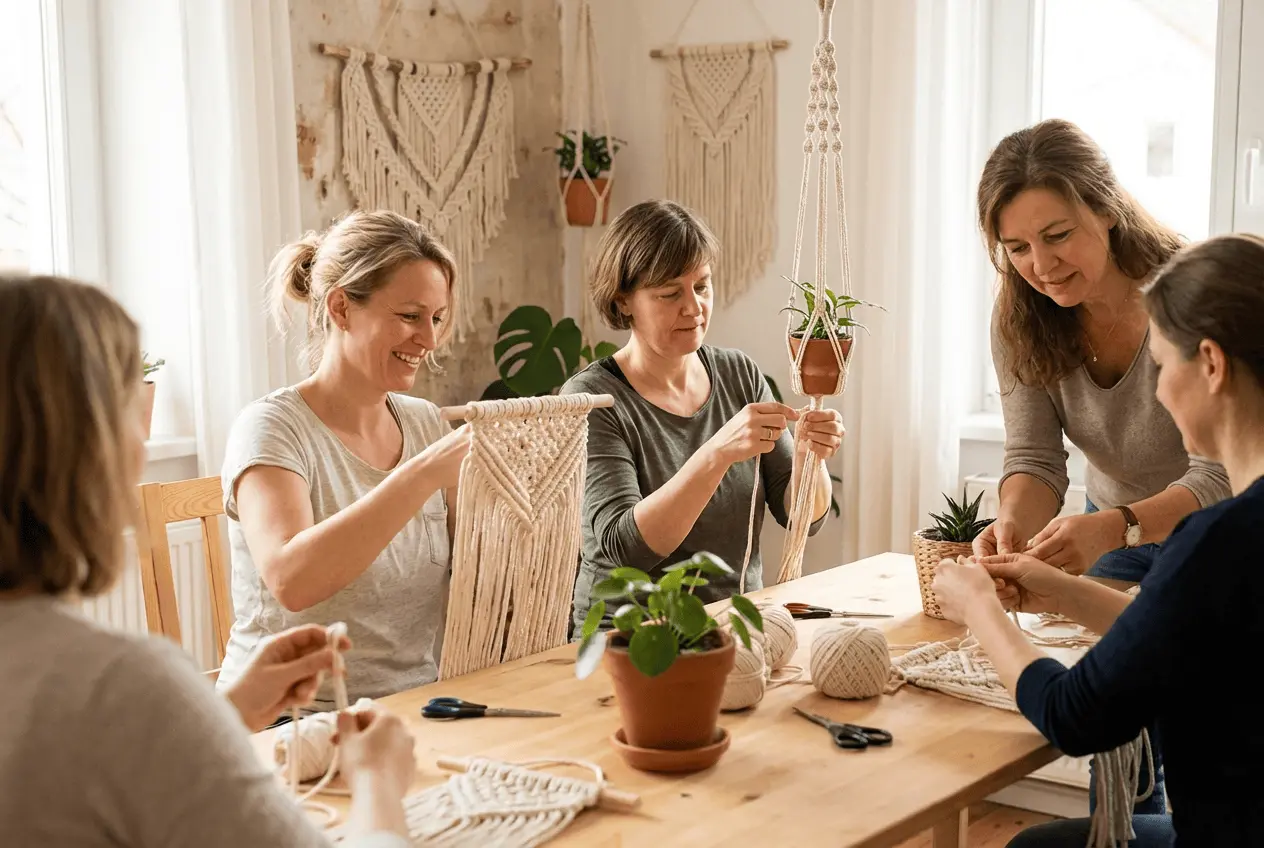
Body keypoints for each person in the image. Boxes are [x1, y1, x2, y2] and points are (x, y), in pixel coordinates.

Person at [0, 274, 418, 846]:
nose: (143, 443)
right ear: (80, 448)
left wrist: (220, 716)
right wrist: (377, 781)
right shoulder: (118, 684)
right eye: (129, 411)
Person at [932, 233, 1264, 845]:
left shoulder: (1218, 543)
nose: (1158, 393)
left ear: (1212, 364)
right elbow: (1180, 630)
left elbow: (1073, 716)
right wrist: (1061, 592)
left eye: (1163, 367)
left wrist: (980, 607)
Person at [217, 210, 470, 710]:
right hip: (286, 725)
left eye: (436, 318)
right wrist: (419, 477)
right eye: (409, 315)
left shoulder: (423, 423)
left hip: (413, 709)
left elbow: (479, 568)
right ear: (340, 308)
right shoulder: (271, 427)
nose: (430, 338)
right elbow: (293, 581)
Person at [564, 200, 844, 631]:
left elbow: (802, 517)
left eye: (702, 286)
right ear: (624, 302)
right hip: (629, 641)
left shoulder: (738, 373)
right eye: (670, 293)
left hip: (733, 629)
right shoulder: (592, 399)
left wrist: (811, 459)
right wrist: (716, 453)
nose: (693, 308)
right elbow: (627, 548)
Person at [974, 119, 1229, 581]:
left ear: (1107, 208)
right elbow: (1034, 456)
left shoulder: (1195, 295)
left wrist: (1118, 527)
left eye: (1057, 236)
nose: (1041, 265)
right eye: (1017, 248)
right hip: (1114, 530)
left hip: (1218, 534)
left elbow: (1221, 471)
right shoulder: (1018, 318)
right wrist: (1011, 523)